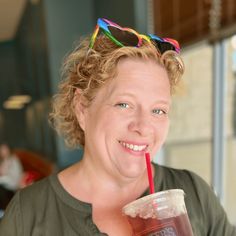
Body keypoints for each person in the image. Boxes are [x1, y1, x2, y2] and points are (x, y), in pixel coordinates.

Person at [0, 18, 235, 235]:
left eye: (158, 110)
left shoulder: (194, 194)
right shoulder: (28, 215)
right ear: (82, 108)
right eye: (124, 104)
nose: (144, 127)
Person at [0, 143, 23, 209]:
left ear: (8, 150)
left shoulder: (14, 160)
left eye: (4, 149)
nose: (3, 151)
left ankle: (4, 211)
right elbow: (2, 173)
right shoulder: (3, 160)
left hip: (13, 186)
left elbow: (15, 179)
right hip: (6, 186)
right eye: (1, 150)